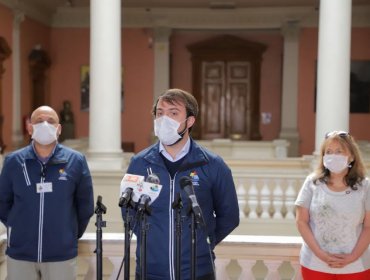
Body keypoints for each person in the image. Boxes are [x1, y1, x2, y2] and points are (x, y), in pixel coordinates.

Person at [121, 88, 240, 280]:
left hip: (197, 271)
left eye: (173, 113)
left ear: (189, 121)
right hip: (149, 271)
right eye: (160, 113)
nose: (164, 119)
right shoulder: (140, 163)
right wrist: (151, 241)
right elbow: (129, 211)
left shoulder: (212, 164)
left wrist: (202, 242)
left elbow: (230, 216)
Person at [0, 105, 94, 280]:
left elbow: (85, 206)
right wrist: (18, 228)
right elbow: (3, 203)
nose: (45, 125)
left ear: (58, 129)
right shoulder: (14, 161)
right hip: (21, 254)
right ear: (30, 127)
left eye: (51, 121)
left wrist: (67, 233)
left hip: (61, 254)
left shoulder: (76, 161)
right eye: (39, 121)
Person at [295, 130, 370, 280]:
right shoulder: (312, 182)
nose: (333, 156)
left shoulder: (365, 186)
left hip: (356, 267)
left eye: (339, 151)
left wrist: (352, 257)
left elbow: (369, 226)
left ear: (352, 157)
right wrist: (321, 254)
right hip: (315, 265)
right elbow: (301, 221)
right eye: (328, 152)